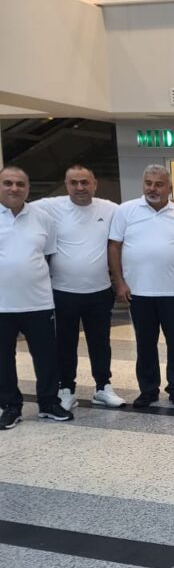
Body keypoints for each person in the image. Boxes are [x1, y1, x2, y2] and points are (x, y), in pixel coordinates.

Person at [108, 165, 174, 408]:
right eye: (148, 183)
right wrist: (119, 282)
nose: (152, 188)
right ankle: (148, 390)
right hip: (139, 293)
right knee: (145, 344)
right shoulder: (126, 211)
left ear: (169, 188)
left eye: (158, 184)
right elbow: (114, 246)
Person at [32, 165, 124, 410]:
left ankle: (103, 387)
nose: (80, 187)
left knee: (100, 342)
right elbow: (18, 203)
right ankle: (66, 389)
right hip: (62, 292)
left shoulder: (110, 208)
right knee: (65, 343)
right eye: (74, 182)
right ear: (66, 184)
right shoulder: (50, 206)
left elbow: (136, 213)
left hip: (99, 291)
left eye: (85, 182)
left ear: (95, 184)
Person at [0, 166, 73, 429]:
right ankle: (10, 406)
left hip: (39, 302)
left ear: (28, 188)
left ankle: (48, 403)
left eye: (20, 184)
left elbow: (47, 255)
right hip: (2, 305)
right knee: (3, 359)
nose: (14, 188)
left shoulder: (42, 218)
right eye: (8, 183)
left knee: (46, 357)